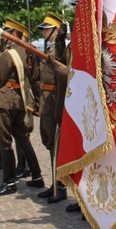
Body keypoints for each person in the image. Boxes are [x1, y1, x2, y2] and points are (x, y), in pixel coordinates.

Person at [0, 18, 44, 197]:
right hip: (22, 102)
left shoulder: (7, 55)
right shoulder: (29, 53)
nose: (4, 36)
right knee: (22, 138)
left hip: (4, 103)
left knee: (4, 141)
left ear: (14, 34)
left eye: (6, 33)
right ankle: (37, 176)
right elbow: (35, 79)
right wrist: (37, 103)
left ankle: (9, 182)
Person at [34, 12, 71, 204]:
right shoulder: (49, 49)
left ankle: (61, 185)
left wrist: (61, 40)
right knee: (49, 143)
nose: (43, 32)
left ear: (56, 31)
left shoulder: (60, 48)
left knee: (56, 144)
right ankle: (55, 183)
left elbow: (63, 69)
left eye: (47, 29)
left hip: (55, 98)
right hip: (45, 99)